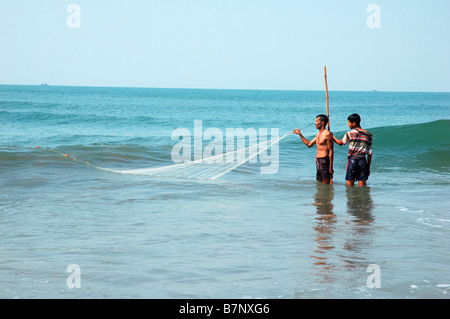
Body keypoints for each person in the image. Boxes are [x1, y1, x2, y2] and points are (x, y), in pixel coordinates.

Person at [333, 113, 372, 187]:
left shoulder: (350, 134)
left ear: (354, 123)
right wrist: (368, 167)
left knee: (349, 187)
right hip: (363, 161)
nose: (348, 125)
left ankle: (352, 198)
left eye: (348, 123)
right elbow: (369, 153)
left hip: (352, 161)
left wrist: (333, 137)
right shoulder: (368, 135)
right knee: (362, 188)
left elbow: (341, 143)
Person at [293, 114, 334, 184]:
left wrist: (330, 167)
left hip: (324, 161)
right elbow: (309, 144)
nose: (314, 123)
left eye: (316, 121)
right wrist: (300, 134)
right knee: (319, 183)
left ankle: (327, 195)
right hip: (318, 160)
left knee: (325, 184)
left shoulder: (327, 134)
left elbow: (331, 151)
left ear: (322, 123)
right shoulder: (318, 134)